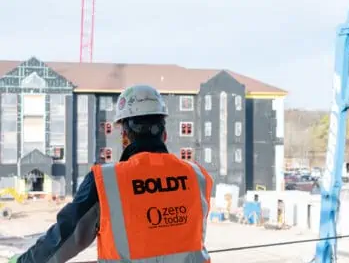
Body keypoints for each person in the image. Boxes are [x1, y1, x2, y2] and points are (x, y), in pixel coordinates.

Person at [9, 84, 213, 263]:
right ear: (165, 134)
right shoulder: (197, 176)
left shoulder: (107, 181)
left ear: (124, 137)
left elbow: (66, 237)